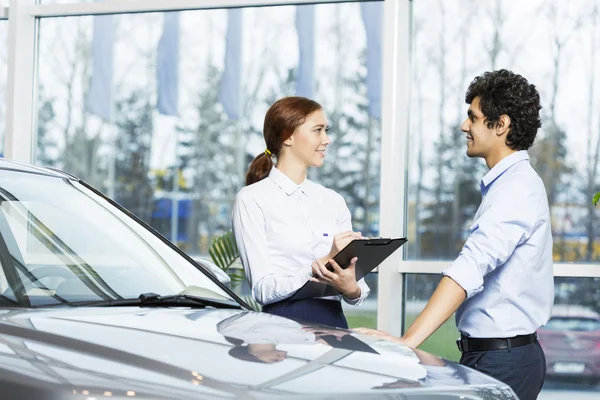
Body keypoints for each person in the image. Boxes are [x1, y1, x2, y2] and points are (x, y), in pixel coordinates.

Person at [355, 69, 553, 400]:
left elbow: (470, 267)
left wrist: (408, 341)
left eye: (472, 118)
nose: (465, 127)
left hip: (504, 360)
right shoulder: (509, 185)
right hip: (493, 356)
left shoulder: (516, 189)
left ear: (500, 125)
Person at [232, 96, 370, 329]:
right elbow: (262, 289)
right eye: (317, 130)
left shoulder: (333, 201)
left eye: (326, 130)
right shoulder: (251, 199)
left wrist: (352, 289)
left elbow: (359, 289)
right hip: (282, 332)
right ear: (288, 136)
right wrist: (323, 263)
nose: (327, 139)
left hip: (335, 328)